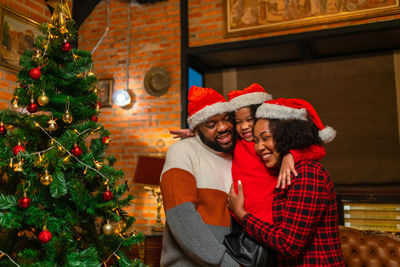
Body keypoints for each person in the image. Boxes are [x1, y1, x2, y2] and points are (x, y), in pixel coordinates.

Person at [228, 98, 345, 266]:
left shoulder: (307, 174)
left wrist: (242, 214)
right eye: (256, 140)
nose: (259, 147)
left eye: (265, 138)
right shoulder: (285, 170)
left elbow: (288, 244)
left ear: (286, 135)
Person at [160, 85, 239, 266]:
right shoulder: (183, 151)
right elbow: (182, 218)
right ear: (196, 129)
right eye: (211, 124)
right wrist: (225, 263)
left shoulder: (241, 153)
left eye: (227, 119)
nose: (223, 127)